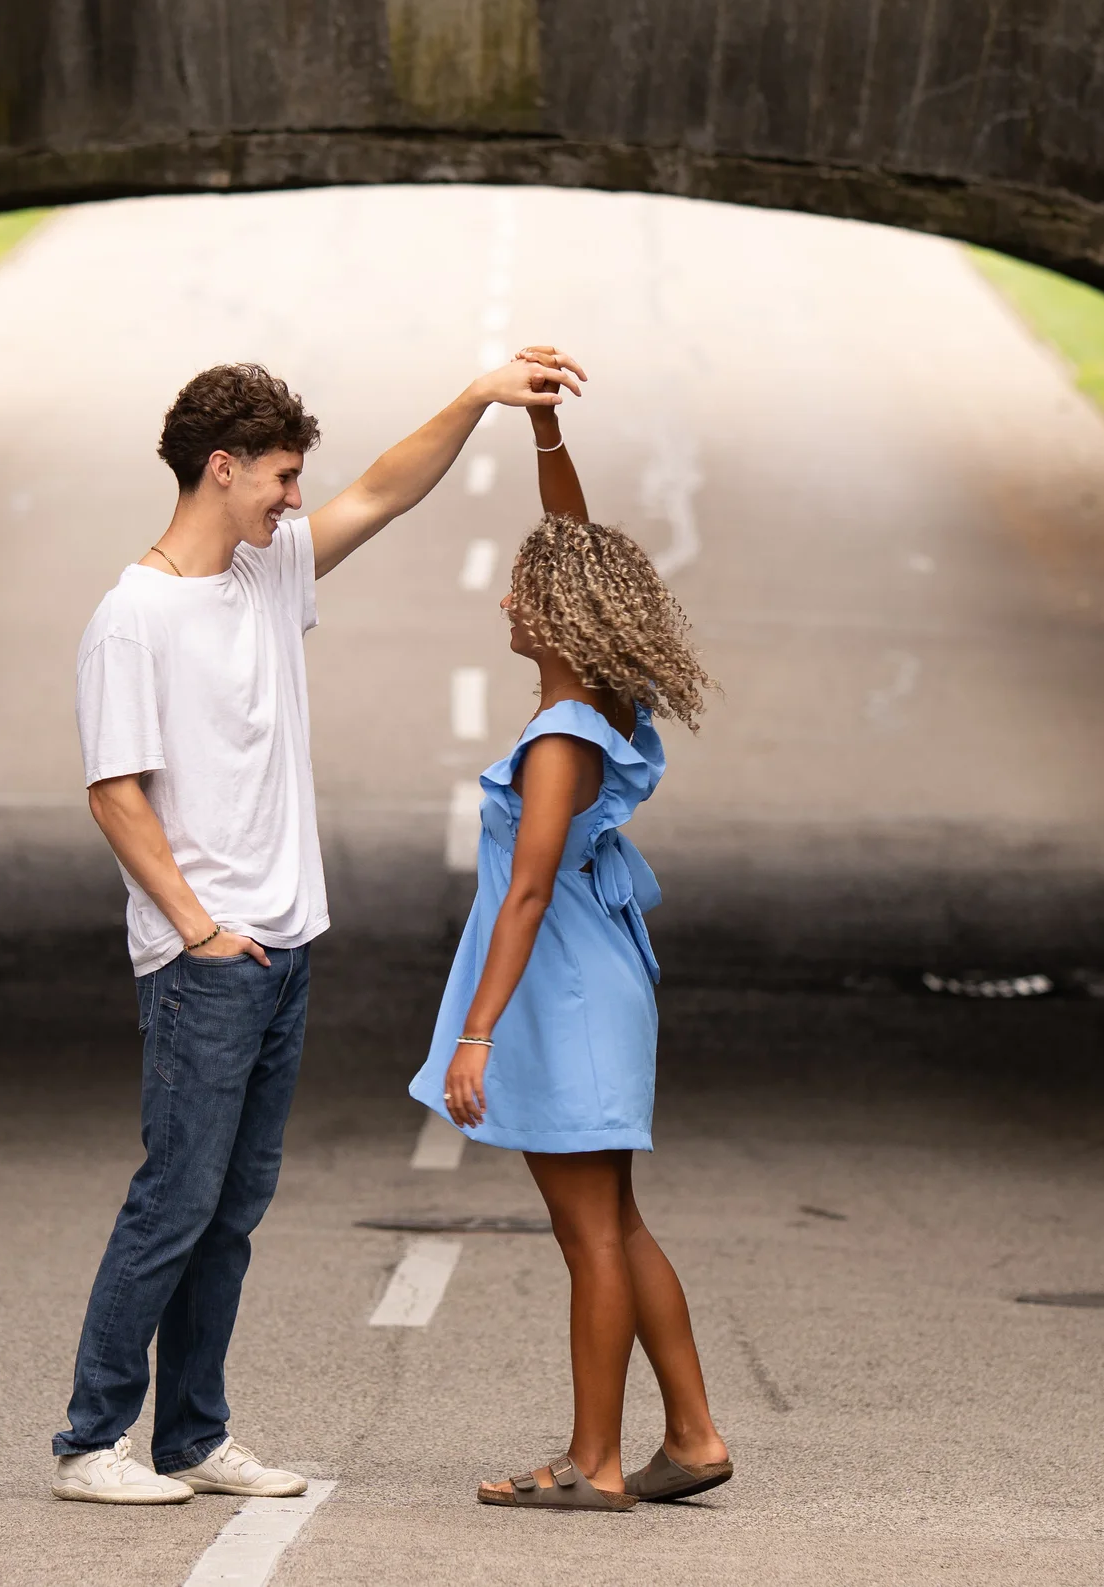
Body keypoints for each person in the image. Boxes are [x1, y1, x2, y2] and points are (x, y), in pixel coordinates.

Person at [53, 353, 585, 1505]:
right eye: (282, 479)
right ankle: (93, 1440)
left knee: (233, 1210)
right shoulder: (132, 617)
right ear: (221, 467)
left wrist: (478, 397)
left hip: (281, 946)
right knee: (176, 1198)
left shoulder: (266, 570)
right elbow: (115, 792)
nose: (297, 500)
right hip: (209, 959)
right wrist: (198, 928)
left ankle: (193, 1436)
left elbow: (386, 491)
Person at [405, 347, 731, 1512]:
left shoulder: (558, 737)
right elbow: (577, 547)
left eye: (515, 586)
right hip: (594, 977)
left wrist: (477, 1034)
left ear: (554, 614)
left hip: (561, 986)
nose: (502, 595)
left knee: (589, 1230)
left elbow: (526, 891)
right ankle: (689, 1434)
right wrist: (541, 436)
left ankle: (595, 1462)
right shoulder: (599, 698)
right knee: (612, 1218)